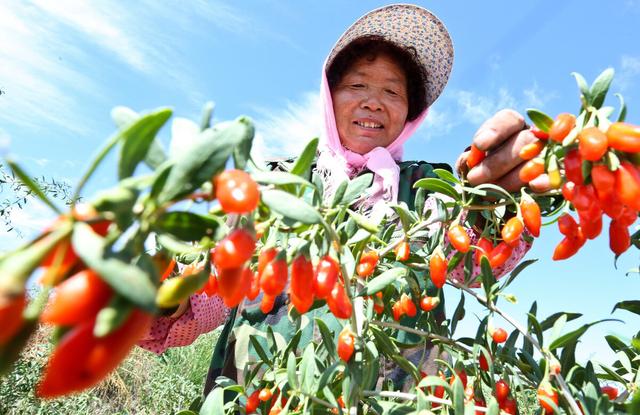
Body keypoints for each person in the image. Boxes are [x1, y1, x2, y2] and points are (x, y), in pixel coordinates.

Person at [138, 3, 538, 398]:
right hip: (261, 400)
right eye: (357, 85)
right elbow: (220, 285)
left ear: (411, 114)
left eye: (392, 91)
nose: (373, 102)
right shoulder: (275, 185)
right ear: (330, 97)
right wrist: (166, 295)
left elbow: (476, 261)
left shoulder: (428, 189)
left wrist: (494, 199)